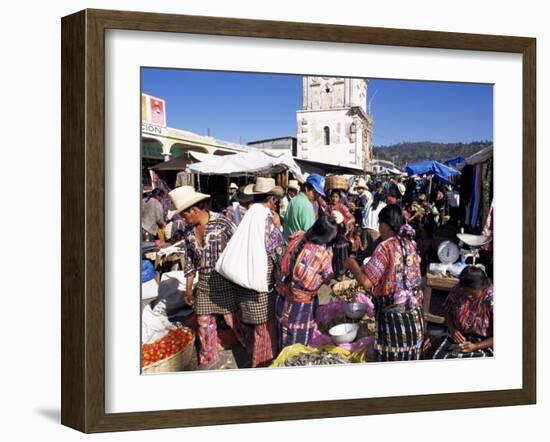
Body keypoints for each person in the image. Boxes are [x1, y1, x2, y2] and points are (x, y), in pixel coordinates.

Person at [169, 186, 245, 368]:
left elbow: (239, 246)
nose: (182, 219)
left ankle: (247, 348)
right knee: (204, 323)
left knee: (234, 321)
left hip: (225, 281)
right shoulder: (188, 233)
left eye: (183, 214)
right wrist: (188, 288)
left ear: (193, 210)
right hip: (203, 284)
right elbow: (189, 261)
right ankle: (209, 359)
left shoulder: (222, 223)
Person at [346, 204, 425, 361]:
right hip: (415, 319)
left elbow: (367, 282)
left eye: (379, 223)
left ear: (386, 225)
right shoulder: (410, 244)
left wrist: (351, 263)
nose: (379, 228)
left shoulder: (386, 247)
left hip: (394, 322)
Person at [234, 177, 285, 367]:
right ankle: (262, 365)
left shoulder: (248, 213)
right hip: (261, 284)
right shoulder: (267, 218)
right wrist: (279, 226)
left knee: (256, 328)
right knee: (265, 327)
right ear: (271, 198)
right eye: (275, 200)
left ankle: (255, 356)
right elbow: (276, 251)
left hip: (245, 279)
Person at [275, 214, 337, 348]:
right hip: (300, 308)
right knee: (296, 344)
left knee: (283, 336)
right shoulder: (322, 254)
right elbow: (328, 278)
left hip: (281, 300)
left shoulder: (297, 238)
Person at [425, 266, 494, 359]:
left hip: (483, 343)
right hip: (459, 338)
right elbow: (447, 309)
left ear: (482, 288)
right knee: (438, 356)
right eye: (466, 292)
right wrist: (453, 330)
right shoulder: (459, 289)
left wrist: (476, 346)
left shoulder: (491, 298)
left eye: (473, 293)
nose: (469, 296)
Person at [283, 173, 326, 239]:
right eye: (315, 193)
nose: (317, 196)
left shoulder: (293, 200)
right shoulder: (307, 205)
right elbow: (310, 234)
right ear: (306, 188)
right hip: (299, 247)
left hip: (289, 245)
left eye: (319, 194)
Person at [325, 189, 355, 280]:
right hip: (331, 233)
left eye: (336, 197)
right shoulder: (328, 207)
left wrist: (346, 223)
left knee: (341, 254)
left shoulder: (342, 207)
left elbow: (352, 218)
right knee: (332, 253)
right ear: (330, 197)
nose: (334, 199)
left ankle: (342, 274)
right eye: (333, 196)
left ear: (339, 198)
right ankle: (334, 272)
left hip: (341, 234)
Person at [361, 188, 387, 256]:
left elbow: (363, 214)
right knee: (374, 254)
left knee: (365, 254)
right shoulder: (384, 205)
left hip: (365, 229)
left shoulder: (369, 202)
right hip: (375, 230)